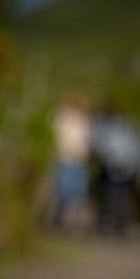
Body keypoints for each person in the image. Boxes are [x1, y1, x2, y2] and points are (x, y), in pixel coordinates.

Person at [91, 104, 140, 235]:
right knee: (122, 197)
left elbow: (100, 147)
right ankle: (118, 224)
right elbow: (138, 150)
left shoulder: (109, 126)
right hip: (126, 168)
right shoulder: (130, 127)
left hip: (112, 167)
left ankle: (108, 222)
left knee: (109, 195)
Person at [49, 91, 91, 229]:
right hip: (64, 157)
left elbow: (85, 140)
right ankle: (59, 217)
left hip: (78, 160)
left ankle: (69, 219)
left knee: (76, 192)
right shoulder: (62, 116)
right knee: (63, 189)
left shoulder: (83, 119)